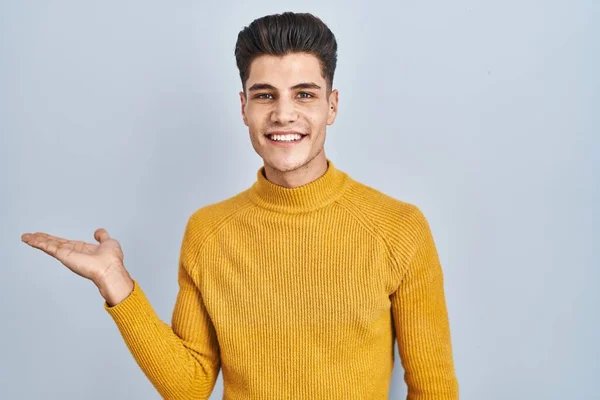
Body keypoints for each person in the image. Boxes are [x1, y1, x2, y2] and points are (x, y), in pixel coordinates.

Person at [20, 11, 459, 399]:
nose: (284, 113)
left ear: (332, 105)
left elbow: (433, 389)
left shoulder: (399, 228)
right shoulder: (209, 231)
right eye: (265, 95)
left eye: (304, 94)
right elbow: (190, 386)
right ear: (244, 107)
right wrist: (117, 284)